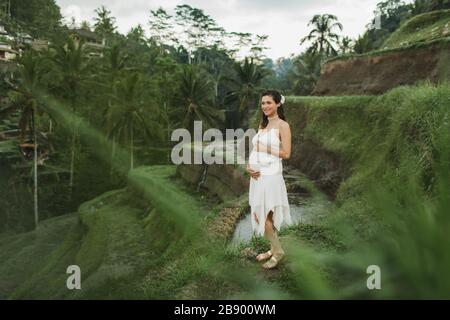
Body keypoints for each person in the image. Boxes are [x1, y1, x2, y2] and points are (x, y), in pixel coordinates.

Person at [246, 90, 292, 269]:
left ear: (278, 104)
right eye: (263, 103)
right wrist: (248, 167)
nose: (265, 106)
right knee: (262, 214)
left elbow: (286, 153)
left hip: (271, 176)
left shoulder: (283, 125)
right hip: (257, 177)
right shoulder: (262, 124)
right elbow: (255, 150)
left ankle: (279, 251)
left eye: (269, 103)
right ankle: (273, 248)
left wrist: (265, 148)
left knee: (264, 216)